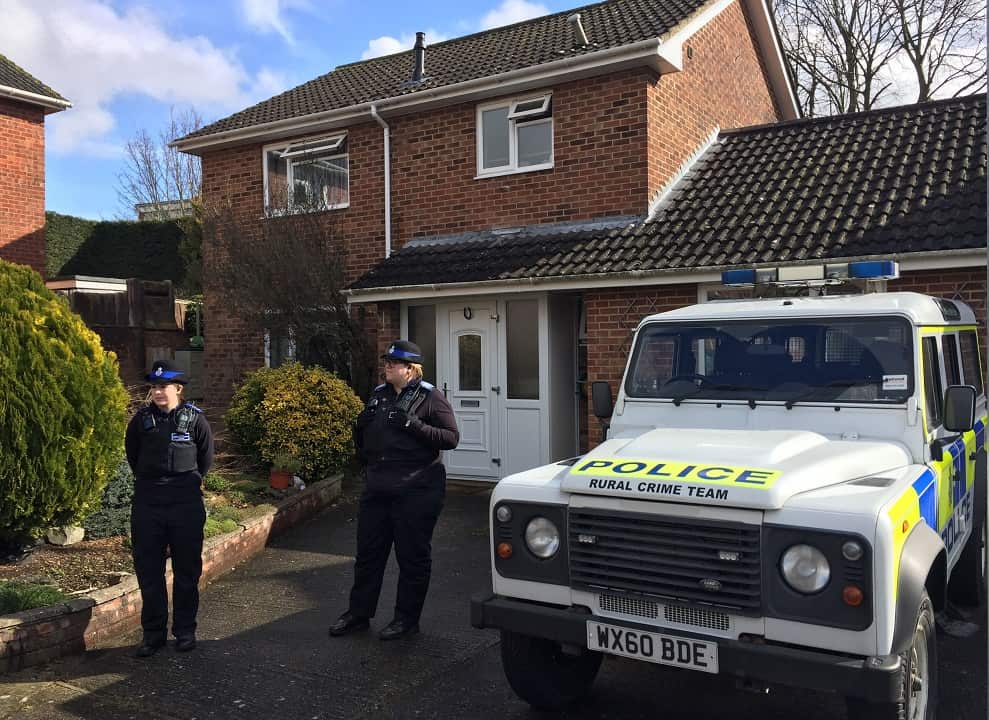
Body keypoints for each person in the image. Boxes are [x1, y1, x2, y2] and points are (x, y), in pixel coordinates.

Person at [329, 340, 459, 640]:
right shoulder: (379, 395)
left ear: (411, 369)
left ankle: (406, 619)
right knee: (368, 555)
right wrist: (359, 431)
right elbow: (366, 438)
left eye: (393, 363)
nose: (386, 366)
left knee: (412, 557)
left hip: (417, 489)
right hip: (378, 487)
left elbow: (451, 438)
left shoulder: (430, 397)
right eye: (386, 362)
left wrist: (413, 425)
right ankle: (359, 613)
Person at [124, 360, 214, 657]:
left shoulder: (195, 420)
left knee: (187, 572)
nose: (158, 392)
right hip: (148, 503)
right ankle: (153, 634)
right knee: (149, 572)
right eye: (154, 387)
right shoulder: (141, 420)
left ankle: (185, 631)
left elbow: (205, 460)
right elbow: (133, 455)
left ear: (178, 388)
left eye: (163, 387)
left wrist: (185, 485)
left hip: (185, 504)